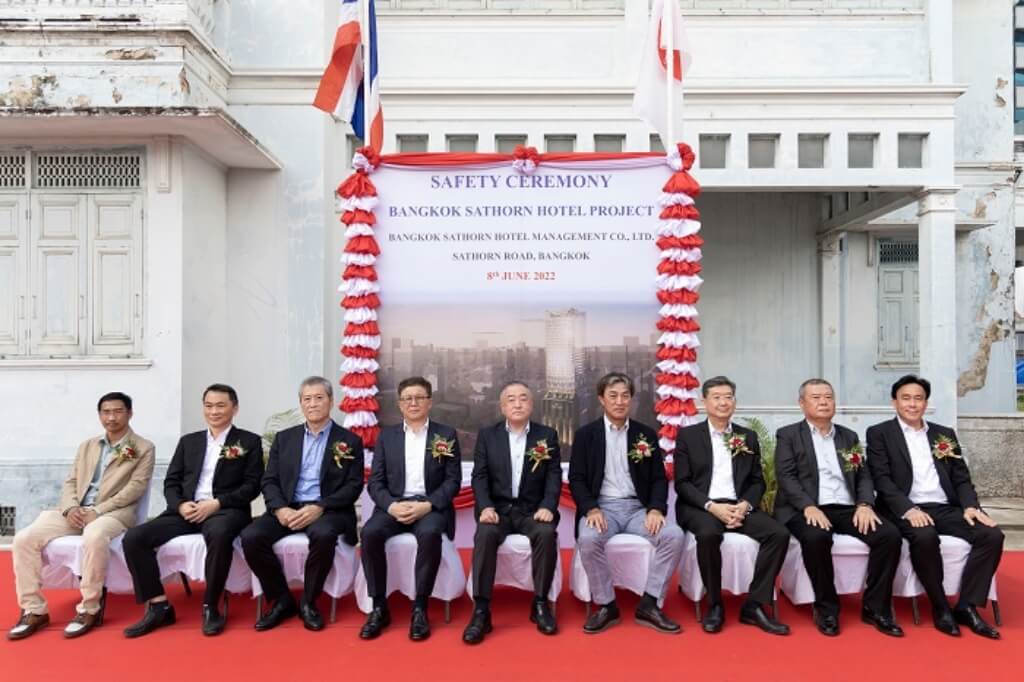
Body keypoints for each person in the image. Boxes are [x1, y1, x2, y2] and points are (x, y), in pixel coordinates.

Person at [8, 392, 155, 640]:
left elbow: (135, 489)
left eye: (118, 411)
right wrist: (70, 508)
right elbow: (72, 481)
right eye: (106, 412)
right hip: (75, 511)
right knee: (24, 538)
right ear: (100, 415)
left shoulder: (143, 448)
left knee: (94, 535)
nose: (111, 417)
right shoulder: (88, 445)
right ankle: (34, 610)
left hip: (113, 513)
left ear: (130, 413)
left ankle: (89, 608)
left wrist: (96, 511)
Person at [866, 374, 1003, 639]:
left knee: (991, 535)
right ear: (895, 402)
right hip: (904, 508)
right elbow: (882, 481)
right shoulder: (880, 433)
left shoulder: (944, 434)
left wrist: (970, 506)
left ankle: (967, 606)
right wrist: (909, 510)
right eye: (906, 398)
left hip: (944, 506)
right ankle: (941, 607)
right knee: (924, 537)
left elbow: (961, 477)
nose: (912, 404)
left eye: (918, 398)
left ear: (926, 403)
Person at [122, 383, 264, 637]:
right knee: (135, 538)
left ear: (235, 408)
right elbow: (171, 481)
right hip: (186, 510)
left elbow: (253, 485)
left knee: (219, 534)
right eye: (208, 406)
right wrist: (180, 504)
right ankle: (158, 605)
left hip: (225, 509)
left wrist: (217, 503)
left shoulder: (249, 441)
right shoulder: (189, 442)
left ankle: (211, 606)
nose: (214, 411)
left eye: (221, 405)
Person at [774, 378, 902, 637]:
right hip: (805, 508)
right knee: (816, 537)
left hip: (846, 508)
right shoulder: (788, 435)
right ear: (802, 403)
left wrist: (865, 504)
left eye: (828, 397)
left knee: (889, 536)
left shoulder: (848, 436)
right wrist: (808, 507)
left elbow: (863, 475)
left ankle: (875, 607)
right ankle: (827, 608)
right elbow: (786, 477)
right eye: (816, 397)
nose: (824, 402)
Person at [240, 376, 365, 632]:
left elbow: (352, 487)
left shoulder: (349, 441)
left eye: (319, 398)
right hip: (288, 507)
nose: (313, 404)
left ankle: (309, 601)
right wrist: (279, 509)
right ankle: (281, 599)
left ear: (331, 401)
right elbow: (270, 480)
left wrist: (320, 507)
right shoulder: (284, 439)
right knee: (251, 536)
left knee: (324, 534)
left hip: (328, 510)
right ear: (300, 404)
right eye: (307, 399)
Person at [674, 376, 790, 635]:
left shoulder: (746, 436)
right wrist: (711, 507)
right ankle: (715, 604)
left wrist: (744, 506)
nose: (723, 402)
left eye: (728, 396)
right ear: (703, 402)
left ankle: (755, 604)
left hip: (738, 505)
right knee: (708, 534)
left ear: (734, 402)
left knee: (778, 534)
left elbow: (756, 481)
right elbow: (682, 484)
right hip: (702, 507)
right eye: (717, 397)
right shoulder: (688, 436)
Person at [569, 372, 684, 635]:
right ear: (601, 399)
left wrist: (655, 508)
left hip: (637, 510)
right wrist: (591, 508)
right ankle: (607, 605)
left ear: (631, 399)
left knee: (674, 535)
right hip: (602, 508)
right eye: (613, 396)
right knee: (587, 539)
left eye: (625, 395)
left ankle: (650, 602)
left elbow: (657, 478)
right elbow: (576, 479)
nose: (619, 401)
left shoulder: (645, 435)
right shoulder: (586, 435)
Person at [359, 376, 461, 642]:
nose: (413, 403)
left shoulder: (445, 435)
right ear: (400, 404)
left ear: (429, 402)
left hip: (429, 507)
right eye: (407, 398)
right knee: (370, 534)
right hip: (394, 506)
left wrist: (427, 505)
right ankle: (379, 606)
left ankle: (420, 608)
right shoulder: (386, 436)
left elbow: (453, 481)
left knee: (429, 535)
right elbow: (376, 481)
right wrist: (392, 506)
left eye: (419, 397)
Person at [462, 381, 561, 644]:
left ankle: (540, 604)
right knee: (484, 535)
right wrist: (485, 507)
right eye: (511, 400)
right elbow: (479, 476)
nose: (518, 404)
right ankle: (481, 610)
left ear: (531, 404)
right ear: (502, 406)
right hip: (498, 511)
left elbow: (553, 477)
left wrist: (547, 507)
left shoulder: (547, 436)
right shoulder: (488, 435)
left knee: (546, 534)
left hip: (532, 511)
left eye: (523, 399)